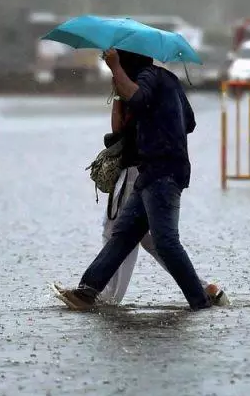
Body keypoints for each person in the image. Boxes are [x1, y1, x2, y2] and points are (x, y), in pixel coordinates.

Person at [54, 48, 219, 311]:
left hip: (163, 172)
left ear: (128, 60)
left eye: (120, 60)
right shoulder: (166, 80)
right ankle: (86, 293)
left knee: (165, 242)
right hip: (150, 172)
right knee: (123, 235)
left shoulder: (149, 77)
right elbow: (188, 122)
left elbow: (139, 98)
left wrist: (116, 69)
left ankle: (201, 300)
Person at [97, 85, 229, 306]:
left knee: (118, 231)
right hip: (146, 169)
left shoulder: (139, 87)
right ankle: (204, 288)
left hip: (138, 170)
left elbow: (119, 128)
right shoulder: (154, 86)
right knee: (150, 239)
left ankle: (108, 296)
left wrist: (118, 88)